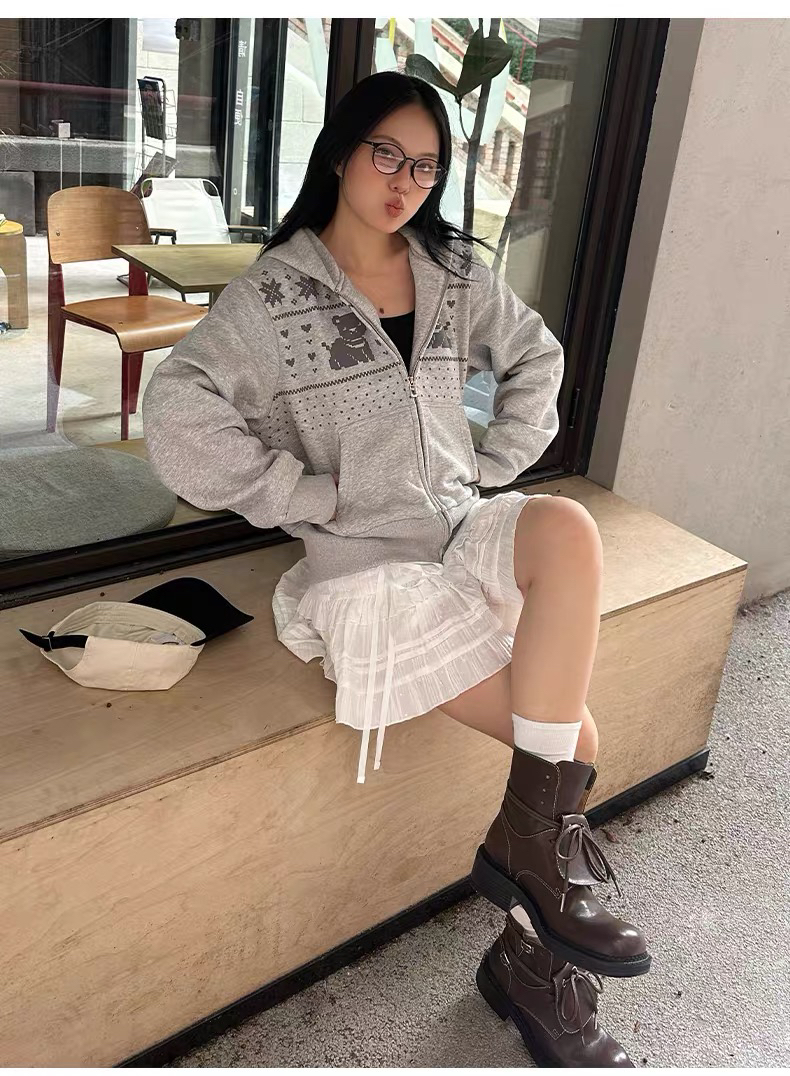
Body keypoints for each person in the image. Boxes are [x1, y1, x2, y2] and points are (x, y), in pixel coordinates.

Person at [142, 69, 649, 1067]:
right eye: (387, 155)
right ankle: (536, 969)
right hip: (365, 569)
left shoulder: (451, 272)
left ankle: (529, 892)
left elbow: (536, 357)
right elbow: (176, 416)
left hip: (458, 528)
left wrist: (492, 464)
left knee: (565, 528)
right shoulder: (272, 297)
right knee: (574, 736)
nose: (404, 182)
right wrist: (306, 495)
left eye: (425, 166)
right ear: (342, 152)